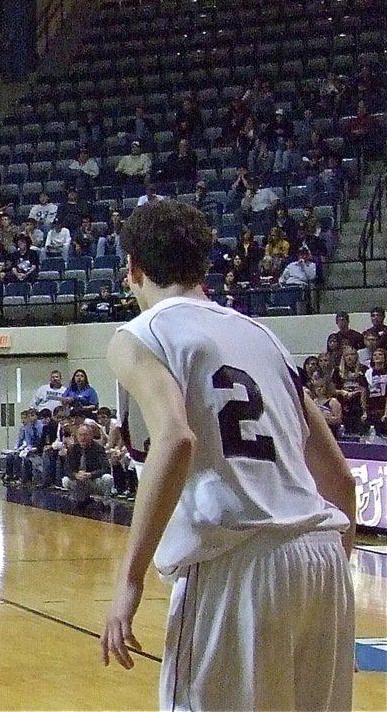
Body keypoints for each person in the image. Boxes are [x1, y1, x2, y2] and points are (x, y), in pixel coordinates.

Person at [100, 200, 355, 711]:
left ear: (132, 268)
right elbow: (340, 478)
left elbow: (176, 439)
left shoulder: (140, 335)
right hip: (323, 558)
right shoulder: (264, 336)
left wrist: (129, 580)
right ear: (202, 266)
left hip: (236, 563)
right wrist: (320, 578)